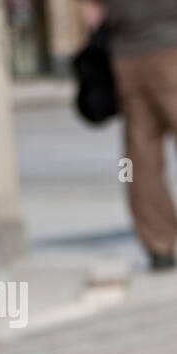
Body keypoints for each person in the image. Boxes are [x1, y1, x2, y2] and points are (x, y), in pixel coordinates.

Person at [80, 0, 177, 270]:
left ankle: (160, 246)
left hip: (127, 54)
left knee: (141, 154)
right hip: (171, 43)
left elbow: (89, 11)